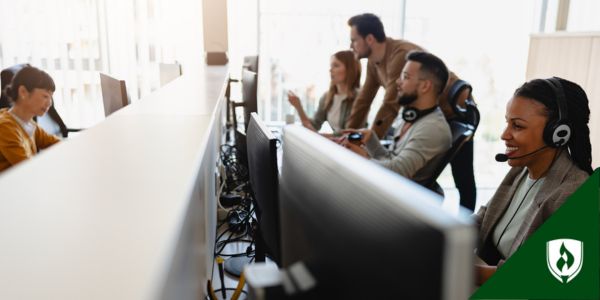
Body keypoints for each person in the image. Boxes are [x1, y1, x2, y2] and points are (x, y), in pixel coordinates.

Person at [345, 13, 477, 208]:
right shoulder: (375, 64)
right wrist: (352, 135)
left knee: (463, 177)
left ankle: (470, 229)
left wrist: (364, 156)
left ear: (370, 39)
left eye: (354, 40)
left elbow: (390, 104)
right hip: (425, 111)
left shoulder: (401, 55)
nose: (351, 45)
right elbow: (364, 100)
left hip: (454, 112)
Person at [474, 77, 593, 285]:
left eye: (517, 126)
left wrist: (466, 270)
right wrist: (444, 234)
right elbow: (484, 218)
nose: (504, 135)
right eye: (507, 123)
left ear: (558, 134)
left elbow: (537, 275)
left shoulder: (573, 193)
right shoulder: (520, 169)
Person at [343, 51, 451, 187]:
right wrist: (372, 141)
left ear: (425, 86)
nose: (397, 82)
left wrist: (363, 159)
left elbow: (398, 173)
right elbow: (392, 160)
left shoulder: (433, 128)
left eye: (405, 77)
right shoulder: (409, 114)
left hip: (404, 199)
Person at [0, 65, 60, 173]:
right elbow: (28, 170)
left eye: (51, 97)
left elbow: (54, 142)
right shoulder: (5, 127)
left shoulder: (27, 123)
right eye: (45, 96)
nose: (49, 103)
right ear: (23, 92)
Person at [287, 50, 362, 134]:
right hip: (335, 145)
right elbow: (314, 125)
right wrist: (298, 107)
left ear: (350, 69)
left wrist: (323, 137)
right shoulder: (327, 97)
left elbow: (349, 134)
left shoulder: (359, 98)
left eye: (336, 65)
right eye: (331, 66)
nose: (330, 70)